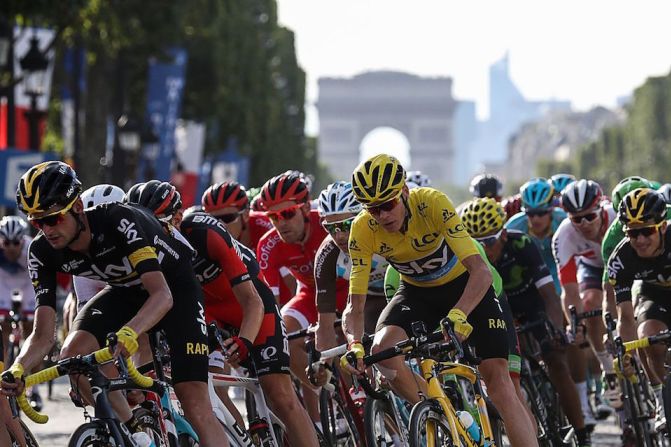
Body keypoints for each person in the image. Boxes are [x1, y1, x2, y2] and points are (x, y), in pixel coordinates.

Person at [1, 161, 229, 446]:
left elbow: (162, 296)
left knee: (194, 400)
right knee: (73, 355)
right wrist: (19, 367)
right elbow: (44, 333)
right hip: (126, 290)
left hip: (174, 286)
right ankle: (136, 434)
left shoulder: (118, 220)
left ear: (78, 208)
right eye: (37, 221)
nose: (46, 229)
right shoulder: (41, 251)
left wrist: (130, 332)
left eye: (53, 219)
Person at [343, 154, 538, 446]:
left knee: (500, 385)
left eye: (388, 205)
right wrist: (354, 345)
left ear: (405, 192)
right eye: (373, 209)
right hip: (417, 292)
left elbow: (481, 272)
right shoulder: (362, 230)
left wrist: (460, 313)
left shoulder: (432, 203)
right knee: (382, 349)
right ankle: (444, 414)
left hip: (467, 287)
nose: (382, 215)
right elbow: (354, 306)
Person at [130, 184, 320, 446]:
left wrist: (245, 340)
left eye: (155, 225)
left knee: (280, 395)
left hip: (249, 307)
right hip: (206, 315)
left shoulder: (204, 233)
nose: (149, 234)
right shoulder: (139, 247)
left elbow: (252, 301)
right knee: (200, 391)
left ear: (176, 219)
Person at [461, 198, 591, 445]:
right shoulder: (471, 257)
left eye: (489, 241)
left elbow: (550, 296)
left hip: (532, 304)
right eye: (477, 243)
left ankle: (581, 430)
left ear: (503, 235)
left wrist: (554, 330)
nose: (485, 250)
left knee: (556, 361)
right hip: (499, 308)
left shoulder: (522, 244)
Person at [256, 171, 347, 422]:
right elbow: (271, 306)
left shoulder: (327, 224)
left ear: (306, 207)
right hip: (310, 296)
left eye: (287, 213)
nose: (281, 223)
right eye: (273, 216)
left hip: (347, 291)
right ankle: (324, 389)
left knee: (347, 344)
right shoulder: (269, 244)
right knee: (283, 331)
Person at [553, 179, 621, 410]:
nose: (583, 223)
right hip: (593, 267)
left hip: (625, 265)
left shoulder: (617, 217)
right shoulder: (564, 236)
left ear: (601, 209)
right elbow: (570, 290)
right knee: (589, 304)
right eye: (575, 218)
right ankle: (608, 370)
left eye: (589, 216)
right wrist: (576, 323)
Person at [607, 188, 669, 431]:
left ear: (662, 227)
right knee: (647, 337)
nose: (640, 240)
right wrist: (628, 352)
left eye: (646, 231)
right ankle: (661, 400)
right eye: (633, 233)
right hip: (652, 295)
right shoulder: (621, 259)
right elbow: (624, 316)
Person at [313, 181, 387, 352]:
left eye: (347, 225)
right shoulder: (328, 255)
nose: (339, 236)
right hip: (368, 300)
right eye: (330, 228)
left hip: (405, 288)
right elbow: (325, 326)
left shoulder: (385, 232)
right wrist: (324, 365)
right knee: (368, 353)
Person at [201, 181, 297, 303]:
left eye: (228, 218)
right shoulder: (204, 233)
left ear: (246, 215)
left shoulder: (266, 226)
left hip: (282, 293)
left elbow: (292, 275)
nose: (220, 225)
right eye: (213, 219)